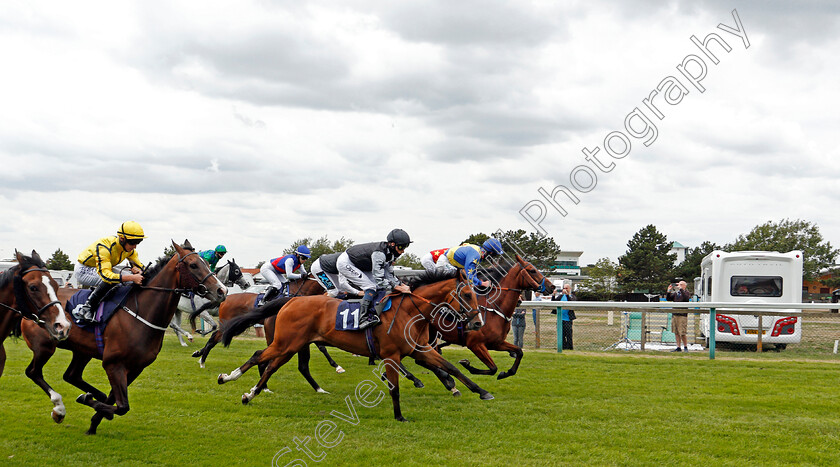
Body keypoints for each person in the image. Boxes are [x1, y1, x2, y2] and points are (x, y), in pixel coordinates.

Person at [336, 229, 412, 330]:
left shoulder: (391, 254)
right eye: (401, 247)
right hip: (346, 263)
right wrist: (398, 287)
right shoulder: (379, 254)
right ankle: (363, 319)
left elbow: (389, 275)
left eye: (406, 247)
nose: (403, 251)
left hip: (361, 265)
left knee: (377, 287)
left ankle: (373, 312)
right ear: (392, 244)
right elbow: (380, 279)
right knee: (371, 287)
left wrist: (401, 285)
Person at [73, 221, 146, 323]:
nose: (135, 246)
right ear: (122, 238)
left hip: (101, 268)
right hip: (84, 269)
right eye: (133, 242)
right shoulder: (104, 247)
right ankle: (86, 309)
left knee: (129, 278)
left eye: (138, 242)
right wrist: (132, 277)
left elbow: (141, 266)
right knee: (115, 279)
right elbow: (106, 276)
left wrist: (138, 270)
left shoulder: (129, 250)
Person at [435, 238, 504, 288]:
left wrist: (477, 280)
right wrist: (482, 283)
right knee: (460, 285)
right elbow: (469, 276)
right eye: (494, 255)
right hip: (445, 263)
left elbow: (473, 272)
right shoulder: (476, 255)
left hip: (449, 263)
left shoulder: (479, 251)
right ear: (491, 252)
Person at [666, 280, 691, 352]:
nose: (679, 285)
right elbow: (668, 299)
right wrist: (669, 290)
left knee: (682, 332)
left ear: (684, 286)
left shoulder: (686, 292)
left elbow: (686, 298)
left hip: (682, 315)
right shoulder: (676, 293)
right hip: (675, 314)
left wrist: (680, 289)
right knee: (676, 332)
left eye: (681, 284)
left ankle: (685, 346)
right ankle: (678, 347)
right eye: (678, 284)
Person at [551, 283, 576, 350]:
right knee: (561, 335)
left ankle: (570, 348)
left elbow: (572, 303)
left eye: (566, 288)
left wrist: (567, 295)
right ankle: (563, 347)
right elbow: (553, 303)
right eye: (564, 288)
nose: (565, 290)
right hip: (560, 319)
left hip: (567, 319)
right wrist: (553, 295)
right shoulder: (560, 297)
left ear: (570, 289)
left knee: (569, 335)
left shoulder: (572, 296)